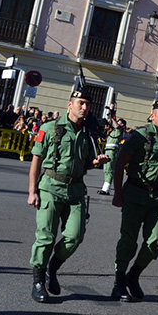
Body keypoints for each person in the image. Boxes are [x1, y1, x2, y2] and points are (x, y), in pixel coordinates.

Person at [26, 81, 108, 302]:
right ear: (69, 104)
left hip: (75, 191)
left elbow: (86, 163)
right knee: (46, 236)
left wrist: (96, 162)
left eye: (88, 104)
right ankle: (38, 281)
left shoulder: (87, 133)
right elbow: (37, 159)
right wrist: (32, 191)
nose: (85, 108)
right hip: (51, 188)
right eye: (81, 103)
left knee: (75, 236)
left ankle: (53, 267)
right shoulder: (50, 128)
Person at [110, 93, 158, 302]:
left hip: (157, 197)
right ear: (153, 115)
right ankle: (119, 282)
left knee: (155, 240)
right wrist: (118, 193)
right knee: (128, 241)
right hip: (135, 193)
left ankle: (133, 276)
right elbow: (120, 163)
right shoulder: (139, 135)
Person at [98, 118, 126, 196]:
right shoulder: (112, 131)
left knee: (109, 169)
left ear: (122, 124)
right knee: (106, 169)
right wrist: (106, 128)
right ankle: (105, 187)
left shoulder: (119, 130)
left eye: (119, 122)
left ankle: (106, 189)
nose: (116, 123)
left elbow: (117, 126)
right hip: (107, 150)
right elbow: (104, 138)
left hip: (113, 151)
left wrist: (113, 119)